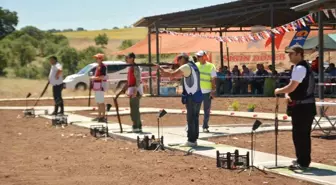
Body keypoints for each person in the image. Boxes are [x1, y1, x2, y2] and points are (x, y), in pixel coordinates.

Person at [274, 44, 316, 170]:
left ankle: (303, 162)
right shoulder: (300, 67)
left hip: (303, 107)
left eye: (291, 54)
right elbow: (293, 88)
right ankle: (302, 159)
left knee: (301, 135)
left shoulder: (300, 68)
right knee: (300, 134)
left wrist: (278, 90)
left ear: (299, 54)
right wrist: (287, 94)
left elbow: (292, 86)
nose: (289, 56)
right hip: (304, 106)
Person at [159, 53, 203, 147]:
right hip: (198, 95)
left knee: (190, 118)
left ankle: (191, 141)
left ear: (183, 59)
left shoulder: (185, 67)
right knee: (195, 118)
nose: (178, 62)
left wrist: (162, 70)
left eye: (179, 59)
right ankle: (194, 139)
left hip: (192, 96)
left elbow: (171, 75)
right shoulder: (193, 66)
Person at [195, 50, 216, 133]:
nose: (197, 58)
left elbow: (213, 79)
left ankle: (205, 126)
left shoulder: (211, 66)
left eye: (199, 56)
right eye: (197, 56)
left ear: (204, 57)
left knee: (206, 110)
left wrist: (213, 91)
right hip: (197, 92)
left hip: (207, 92)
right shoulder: (195, 65)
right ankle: (193, 126)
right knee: (195, 110)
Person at [124, 52, 143, 133]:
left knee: (135, 109)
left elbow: (137, 79)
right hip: (132, 88)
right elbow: (129, 79)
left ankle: (137, 126)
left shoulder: (135, 67)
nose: (126, 59)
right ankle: (136, 125)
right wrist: (125, 88)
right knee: (133, 108)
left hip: (135, 89)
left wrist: (135, 90)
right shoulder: (130, 67)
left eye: (128, 57)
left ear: (132, 58)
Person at [91, 53, 107, 122]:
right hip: (97, 85)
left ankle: (103, 116)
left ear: (101, 59)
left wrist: (94, 78)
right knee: (98, 101)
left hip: (100, 85)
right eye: (96, 58)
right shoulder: (98, 66)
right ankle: (99, 116)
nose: (96, 59)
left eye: (98, 58)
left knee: (101, 102)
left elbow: (102, 77)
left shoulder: (103, 66)